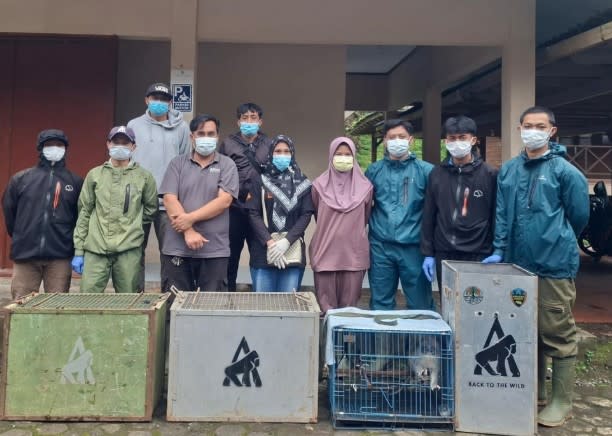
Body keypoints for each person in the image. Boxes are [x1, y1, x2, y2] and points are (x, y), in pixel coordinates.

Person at [482, 106, 589, 427]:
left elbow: (579, 217)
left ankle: (562, 402)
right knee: (525, 327)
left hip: (553, 265)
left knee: (556, 330)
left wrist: (554, 239)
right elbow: (502, 214)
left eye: (540, 126)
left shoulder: (565, 172)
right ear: (519, 129)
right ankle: (536, 390)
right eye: (528, 125)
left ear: (552, 131)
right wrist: (499, 249)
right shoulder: (510, 170)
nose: (533, 131)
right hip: (518, 264)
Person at [72, 126, 158, 293]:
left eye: (125, 143)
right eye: (116, 142)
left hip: (128, 249)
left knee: (127, 301)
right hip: (95, 248)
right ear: (108, 144)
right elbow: (84, 212)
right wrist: (79, 249)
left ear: (133, 146)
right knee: (87, 300)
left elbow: (150, 210)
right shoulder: (95, 175)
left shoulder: (144, 177)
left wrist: (133, 227)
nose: (120, 146)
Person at [159, 114, 238, 292]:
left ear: (217, 136)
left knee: (211, 305)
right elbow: (169, 199)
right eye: (201, 133)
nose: (206, 138)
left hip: (214, 250)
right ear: (192, 137)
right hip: (177, 248)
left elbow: (224, 201)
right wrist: (188, 230)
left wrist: (189, 219)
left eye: (211, 134)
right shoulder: (177, 164)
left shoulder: (227, 165)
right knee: (176, 304)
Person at [2, 129, 83, 299]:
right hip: (26, 255)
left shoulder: (75, 182)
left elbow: (80, 217)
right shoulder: (21, 179)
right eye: (49, 144)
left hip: (60, 256)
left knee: (56, 305)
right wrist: (23, 235)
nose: (55, 148)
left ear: (65, 149)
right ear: (40, 148)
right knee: (21, 304)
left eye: (59, 145)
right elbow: (10, 213)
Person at [421, 116, 498, 291]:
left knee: (475, 300)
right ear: (445, 141)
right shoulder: (437, 174)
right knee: (449, 300)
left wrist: (497, 250)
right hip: (445, 251)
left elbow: (496, 215)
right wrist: (428, 252)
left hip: (479, 253)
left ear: (473, 140)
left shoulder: (489, 174)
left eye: (462, 138)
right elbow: (429, 214)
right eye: (452, 138)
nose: (457, 143)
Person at [365, 119, 434, 310]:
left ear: (411, 140)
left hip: (414, 247)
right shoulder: (374, 171)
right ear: (385, 141)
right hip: (380, 247)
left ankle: (421, 331)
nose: (397, 141)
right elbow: (363, 206)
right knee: (380, 304)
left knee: (420, 305)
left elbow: (434, 211)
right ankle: (381, 331)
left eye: (401, 137)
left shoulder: (426, 171)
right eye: (392, 137)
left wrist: (431, 250)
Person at [128, 82, 190, 290]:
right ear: (147, 100)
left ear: (170, 103)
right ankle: (136, 298)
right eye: (155, 98)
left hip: (169, 202)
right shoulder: (134, 125)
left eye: (164, 99)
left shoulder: (181, 128)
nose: (159, 102)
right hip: (139, 201)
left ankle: (169, 298)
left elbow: (185, 162)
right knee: (134, 252)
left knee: (171, 253)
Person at [309, 137, 373, 313]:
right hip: (325, 253)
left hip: (354, 256)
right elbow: (318, 214)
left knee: (349, 311)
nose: (343, 158)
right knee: (326, 310)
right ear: (331, 155)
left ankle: (346, 333)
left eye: (347, 154)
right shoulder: (318, 186)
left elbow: (365, 217)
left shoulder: (366, 187)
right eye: (338, 154)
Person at [246, 135, 314, 292]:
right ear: (271, 153)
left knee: (288, 302)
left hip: (292, 250)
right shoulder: (260, 180)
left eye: (286, 151)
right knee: (263, 303)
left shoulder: (302, 182)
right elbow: (253, 213)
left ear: (292, 154)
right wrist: (270, 243)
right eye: (278, 151)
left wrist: (286, 242)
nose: (282, 155)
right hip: (263, 251)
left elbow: (306, 214)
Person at [218, 103, 272, 290]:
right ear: (238, 121)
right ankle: (228, 297)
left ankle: (261, 296)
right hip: (234, 209)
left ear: (260, 121)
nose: (249, 121)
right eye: (245, 118)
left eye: (253, 118)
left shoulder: (269, 144)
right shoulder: (228, 143)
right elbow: (219, 173)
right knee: (230, 257)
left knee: (260, 258)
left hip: (259, 211)